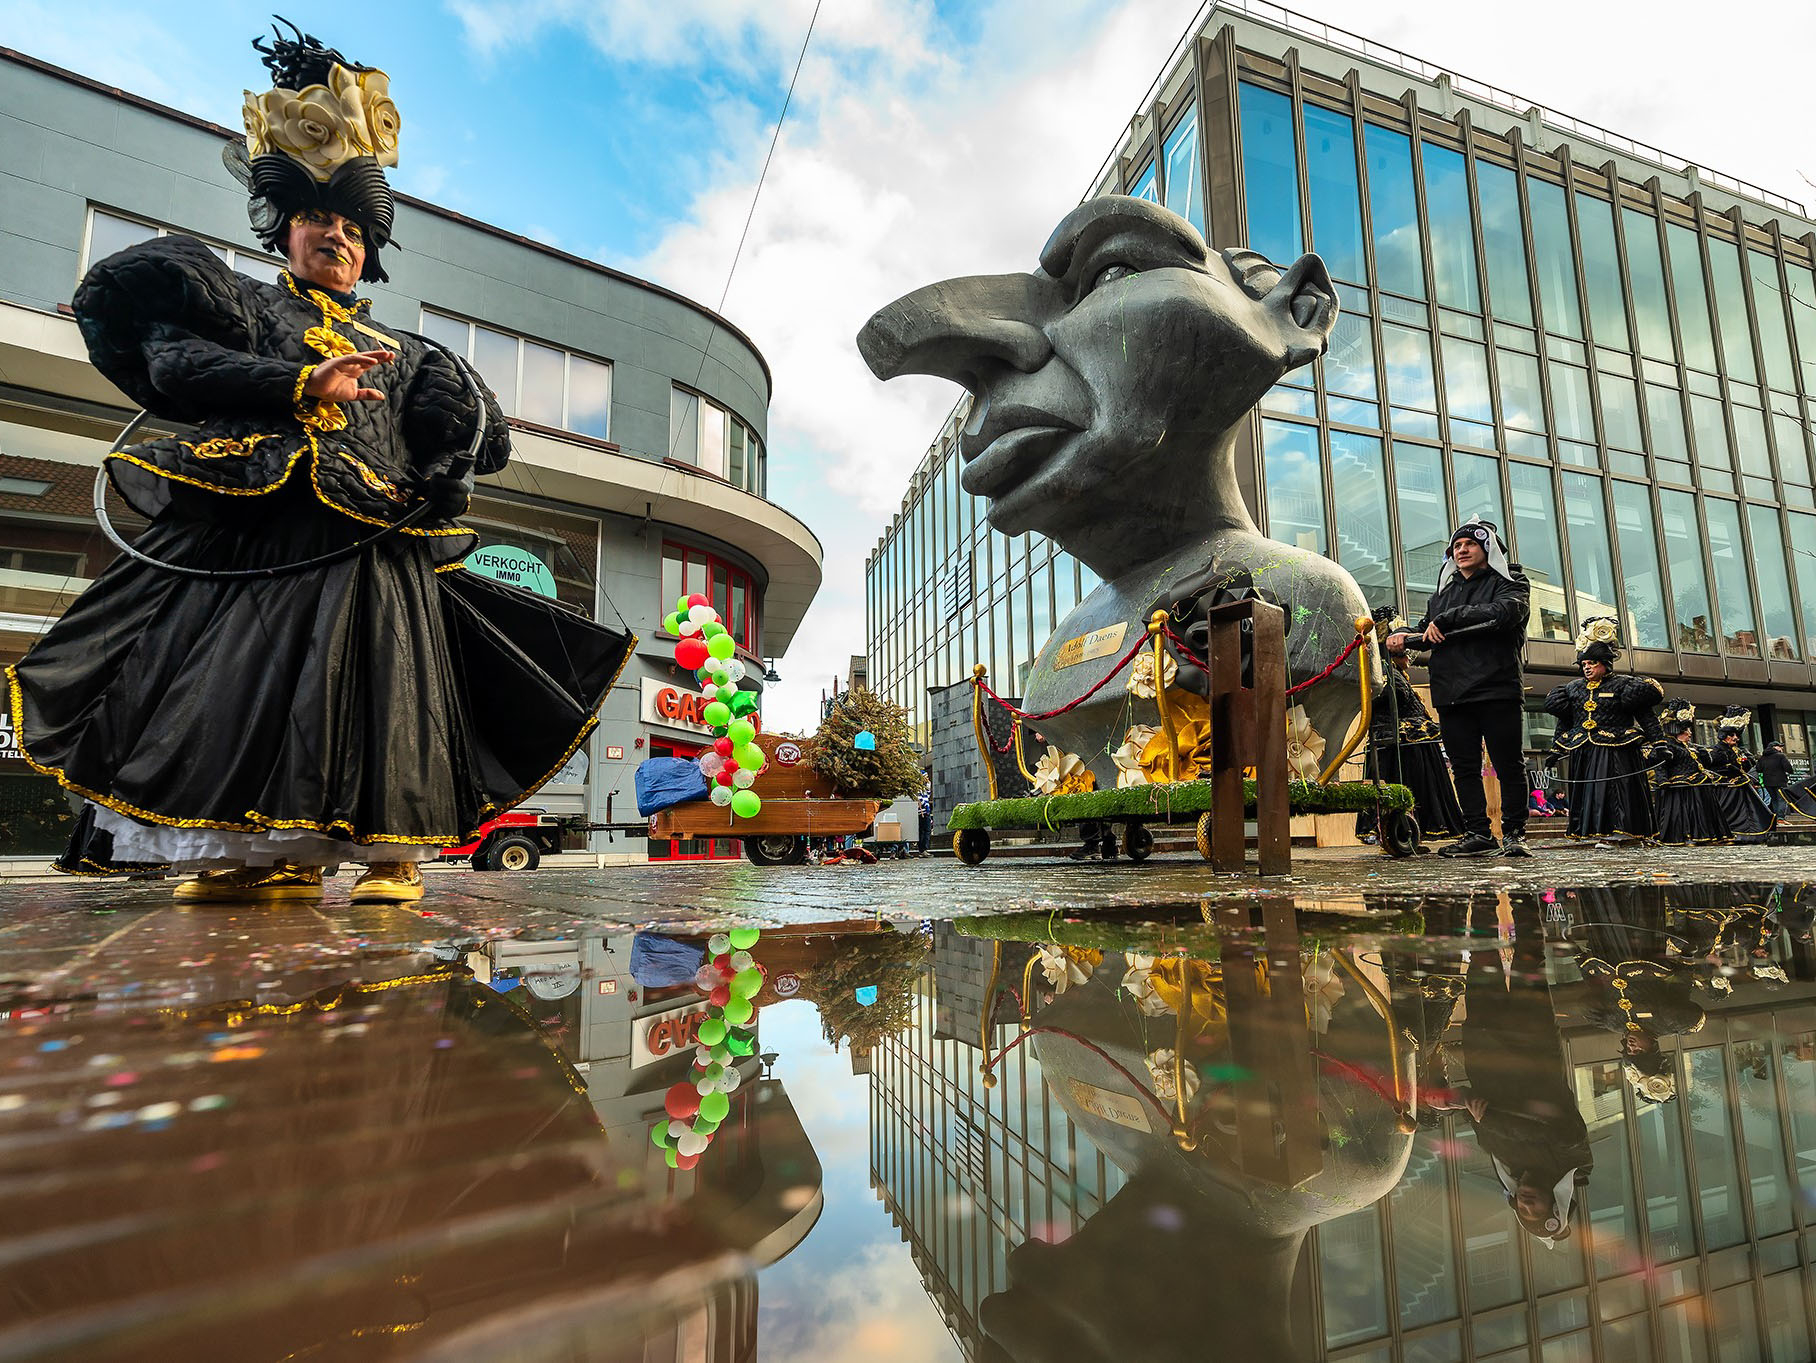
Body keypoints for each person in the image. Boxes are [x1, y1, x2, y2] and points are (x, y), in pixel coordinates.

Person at [6, 24, 631, 902]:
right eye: (314, 220)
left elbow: (477, 439)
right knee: (236, 688)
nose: (332, 235)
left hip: (376, 545)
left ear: (369, 245)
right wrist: (299, 378)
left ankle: (391, 855)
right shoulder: (249, 308)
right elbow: (174, 367)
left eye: (347, 225)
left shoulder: (409, 351)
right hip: (259, 532)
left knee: (385, 691)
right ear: (285, 231)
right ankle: (255, 851)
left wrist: (454, 462)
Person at [1386, 520, 1532, 858]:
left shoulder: (1511, 581)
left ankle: (1514, 834)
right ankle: (1478, 833)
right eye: (1457, 545)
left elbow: (1505, 613)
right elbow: (1424, 630)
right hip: (1451, 692)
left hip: (1497, 688)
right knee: (1464, 768)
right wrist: (1401, 636)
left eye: (1469, 544)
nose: (1461, 550)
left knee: (1509, 764)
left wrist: (1449, 620)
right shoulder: (1442, 594)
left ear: (1488, 549)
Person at [1542, 618, 1663, 842]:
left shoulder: (1624, 684)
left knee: (1619, 790)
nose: (1587, 667)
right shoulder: (1573, 688)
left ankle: (1624, 832)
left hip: (1617, 750)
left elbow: (1646, 716)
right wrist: (1556, 749)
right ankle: (1590, 831)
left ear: (1605, 663)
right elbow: (1566, 721)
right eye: (1584, 664)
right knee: (1590, 792)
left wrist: (1660, 743)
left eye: (1592, 663)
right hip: (1585, 750)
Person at [1358, 607, 1465, 845]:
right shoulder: (1380, 675)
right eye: (1403, 653)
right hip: (1396, 744)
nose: (1408, 657)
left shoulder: (1398, 675)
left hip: (1414, 745)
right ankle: (1397, 828)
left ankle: (1417, 827)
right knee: (1405, 784)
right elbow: (1376, 700)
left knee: (1423, 788)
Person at [1651, 701, 1732, 846]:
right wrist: (1662, 780)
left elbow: (1705, 763)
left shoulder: (1692, 747)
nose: (1690, 733)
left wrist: (1704, 754)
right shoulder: (1668, 745)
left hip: (1699, 784)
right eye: (1687, 730)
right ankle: (1688, 836)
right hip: (1682, 785)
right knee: (1688, 813)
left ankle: (1709, 835)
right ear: (1679, 731)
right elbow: (1660, 765)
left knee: (1704, 811)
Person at [1706, 707, 1776, 841]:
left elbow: (1747, 765)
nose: (1735, 738)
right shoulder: (1717, 750)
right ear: (1724, 736)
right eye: (1732, 735)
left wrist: (1746, 761)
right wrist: (1730, 768)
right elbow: (1715, 767)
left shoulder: (1737, 750)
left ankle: (1754, 832)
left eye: (1736, 735)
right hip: (1727, 787)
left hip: (1741, 785)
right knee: (1730, 811)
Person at [1759, 741, 1794, 819]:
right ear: (1774, 747)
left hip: (1768, 782)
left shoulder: (1763, 757)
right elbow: (1789, 769)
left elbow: (1759, 769)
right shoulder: (1781, 756)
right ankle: (1780, 818)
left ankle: (1776, 818)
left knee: (1774, 800)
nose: (1781, 748)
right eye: (1779, 746)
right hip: (1780, 781)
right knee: (1782, 799)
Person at [916, 776, 933, 855]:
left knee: (925, 830)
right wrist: (926, 806)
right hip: (922, 812)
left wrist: (928, 783)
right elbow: (920, 799)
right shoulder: (918, 789)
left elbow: (928, 792)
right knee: (924, 831)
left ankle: (923, 849)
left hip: (925, 811)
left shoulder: (923, 789)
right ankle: (923, 849)